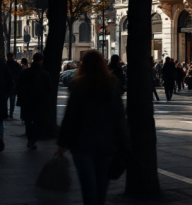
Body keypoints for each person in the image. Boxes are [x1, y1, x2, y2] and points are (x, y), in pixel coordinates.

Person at [57, 50, 128, 205]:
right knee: (101, 188)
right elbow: (119, 118)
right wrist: (124, 144)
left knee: (88, 188)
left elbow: (70, 117)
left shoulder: (77, 84)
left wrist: (62, 144)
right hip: (107, 144)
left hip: (82, 144)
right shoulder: (112, 84)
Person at [16, 52, 51, 150]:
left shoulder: (26, 72)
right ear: (41, 60)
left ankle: (29, 139)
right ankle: (34, 139)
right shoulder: (44, 73)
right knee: (38, 121)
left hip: (27, 100)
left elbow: (19, 86)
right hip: (39, 101)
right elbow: (49, 88)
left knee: (28, 121)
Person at [5, 53, 23, 120]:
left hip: (6, 85)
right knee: (12, 101)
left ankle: (6, 114)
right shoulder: (16, 65)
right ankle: (11, 114)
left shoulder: (5, 64)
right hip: (13, 85)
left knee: (5, 101)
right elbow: (20, 74)